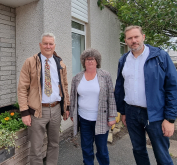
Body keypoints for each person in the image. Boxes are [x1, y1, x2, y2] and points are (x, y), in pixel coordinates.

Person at [114, 26, 177, 165]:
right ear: (125, 41)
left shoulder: (160, 56)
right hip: (131, 112)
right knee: (138, 150)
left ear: (143, 37)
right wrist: (123, 112)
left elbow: (173, 87)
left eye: (136, 37)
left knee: (161, 153)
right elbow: (120, 87)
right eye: (130, 38)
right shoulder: (123, 60)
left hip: (155, 114)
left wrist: (170, 118)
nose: (134, 41)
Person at [17, 33, 70, 165]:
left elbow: (65, 86)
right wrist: (24, 112)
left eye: (50, 44)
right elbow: (22, 88)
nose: (48, 46)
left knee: (54, 143)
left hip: (56, 109)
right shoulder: (30, 62)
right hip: (38, 111)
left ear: (54, 46)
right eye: (45, 43)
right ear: (40, 45)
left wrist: (66, 107)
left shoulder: (60, 63)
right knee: (36, 147)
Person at [70, 48, 117, 165]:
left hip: (101, 118)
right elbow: (73, 97)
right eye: (87, 59)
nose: (90, 61)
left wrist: (112, 116)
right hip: (84, 119)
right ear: (83, 62)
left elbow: (111, 96)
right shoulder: (77, 77)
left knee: (102, 149)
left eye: (93, 59)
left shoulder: (105, 75)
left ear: (97, 61)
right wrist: (72, 113)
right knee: (86, 148)